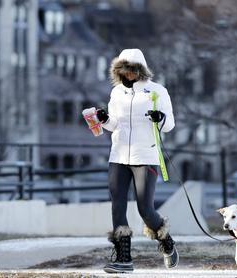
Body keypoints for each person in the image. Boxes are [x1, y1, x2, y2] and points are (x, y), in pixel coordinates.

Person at [96, 48, 178, 273]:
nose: (129, 75)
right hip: (119, 156)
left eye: (133, 70)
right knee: (118, 204)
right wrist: (104, 120)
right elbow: (114, 124)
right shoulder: (116, 93)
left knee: (145, 209)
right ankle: (124, 258)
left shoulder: (157, 91)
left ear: (140, 70)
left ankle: (166, 240)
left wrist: (159, 118)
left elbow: (169, 124)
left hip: (146, 156)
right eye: (124, 71)